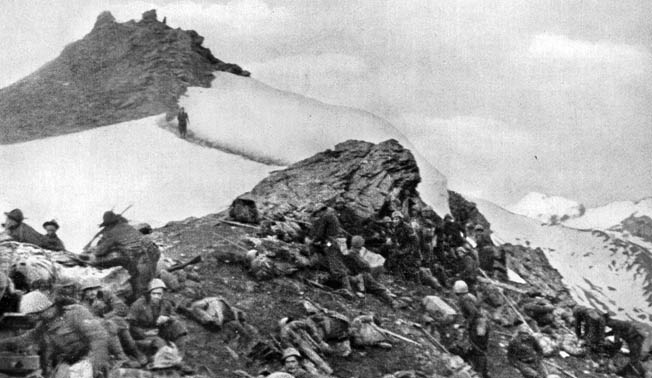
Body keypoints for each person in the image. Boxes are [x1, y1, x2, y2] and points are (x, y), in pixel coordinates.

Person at [0, 291, 110, 378]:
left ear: (39, 311)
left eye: (30, 315)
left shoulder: (75, 313)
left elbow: (98, 338)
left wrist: (97, 367)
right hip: (69, 363)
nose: (30, 318)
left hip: (89, 361)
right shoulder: (44, 325)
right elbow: (25, 339)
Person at [86, 210, 160, 303]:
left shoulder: (112, 233)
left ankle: (141, 305)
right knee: (143, 278)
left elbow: (100, 251)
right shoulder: (127, 226)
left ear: (108, 225)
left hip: (143, 256)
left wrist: (94, 249)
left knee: (141, 285)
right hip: (154, 251)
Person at [80, 278, 146, 366]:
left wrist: (107, 316)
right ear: (84, 292)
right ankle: (122, 358)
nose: (92, 292)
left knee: (118, 321)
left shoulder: (105, 294)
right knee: (109, 325)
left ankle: (135, 352)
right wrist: (105, 318)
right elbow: (90, 321)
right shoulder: (82, 304)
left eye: (94, 289)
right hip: (97, 332)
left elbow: (123, 308)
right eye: (88, 290)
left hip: (113, 323)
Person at [128, 279, 188, 356]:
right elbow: (129, 325)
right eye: (154, 294)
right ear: (149, 294)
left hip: (159, 331)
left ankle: (179, 356)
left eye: (159, 294)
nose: (156, 296)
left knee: (178, 326)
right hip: (143, 336)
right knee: (160, 343)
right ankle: (164, 360)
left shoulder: (165, 303)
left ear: (162, 294)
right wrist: (145, 332)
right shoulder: (138, 305)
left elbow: (175, 317)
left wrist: (167, 318)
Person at [308, 205, 354, 299]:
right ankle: (349, 284)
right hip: (340, 242)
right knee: (338, 263)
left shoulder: (326, 216)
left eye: (317, 214)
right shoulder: (333, 215)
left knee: (335, 266)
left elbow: (320, 233)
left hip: (333, 243)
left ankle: (348, 289)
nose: (318, 216)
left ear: (320, 211)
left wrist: (311, 241)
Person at [344, 235, 395, 305]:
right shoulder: (354, 254)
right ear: (359, 245)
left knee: (375, 286)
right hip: (362, 276)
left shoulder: (349, 252)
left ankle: (386, 294)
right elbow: (365, 265)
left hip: (354, 275)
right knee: (378, 288)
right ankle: (392, 302)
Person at [454, 280, 490, 378]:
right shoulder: (470, 296)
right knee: (481, 348)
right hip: (483, 323)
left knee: (477, 348)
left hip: (478, 324)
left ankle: (479, 372)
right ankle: (485, 372)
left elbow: (473, 312)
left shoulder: (464, 299)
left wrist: (468, 324)